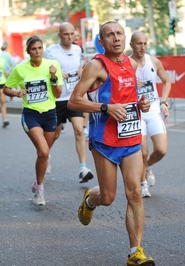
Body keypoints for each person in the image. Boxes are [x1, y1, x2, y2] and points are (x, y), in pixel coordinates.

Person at [68, 21, 155, 266]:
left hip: (130, 138)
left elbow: (129, 98)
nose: (115, 38)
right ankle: (90, 200)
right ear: (102, 41)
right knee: (108, 197)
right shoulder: (95, 66)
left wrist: (141, 104)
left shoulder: (132, 63)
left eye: (119, 34)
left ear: (124, 38)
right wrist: (105, 107)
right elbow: (74, 101)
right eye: (110, 35)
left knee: (135, 192)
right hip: (105, 141)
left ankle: (135, 252)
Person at [3, 36, 63, 206]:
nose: (37, 51)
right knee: (44, 152)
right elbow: (6, 88)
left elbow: (58, 94)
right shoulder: (20, 69)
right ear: (28, 51)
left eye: (40, 48)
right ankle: (40, 189)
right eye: (33, 49)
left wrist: (53, 77)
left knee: (44, 155)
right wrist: (16, 93)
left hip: (50, 113)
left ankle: (37, 183)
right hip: (31, 114)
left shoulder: (53, 66)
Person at [43, 22, 94, 183]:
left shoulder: (77, 49)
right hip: (57, 99)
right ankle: (45, 156)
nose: (70, 37)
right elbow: (43, 71)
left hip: (74, 98)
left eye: (72, 34)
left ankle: (83, 168)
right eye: (66, 34)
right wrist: (56, 75)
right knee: (55, 134)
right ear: (59, 35)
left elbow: (79, 68)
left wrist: (84, 76)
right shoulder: (51, 52)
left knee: (79, 131)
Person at [129, 31, 171, 198]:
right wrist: (132, 84)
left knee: (161, 150)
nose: (143, 47)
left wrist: (164, 102)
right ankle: (143, 183)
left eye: (145, 43)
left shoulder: (154, 61)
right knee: (143, 152)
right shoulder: (127, 64)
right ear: (131, 45)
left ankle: (146, 167)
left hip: (153, 110)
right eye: (139, 43)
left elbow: (167, 81)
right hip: (136, 112)